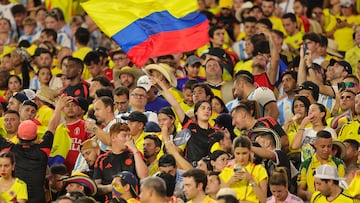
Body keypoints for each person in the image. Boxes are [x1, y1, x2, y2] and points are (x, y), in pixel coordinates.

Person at [152, 76, 215, 163]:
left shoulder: (214, 132)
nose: (206, 111)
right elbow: (175, 104)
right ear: (196, 112)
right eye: (203, 108)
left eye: (209, 109)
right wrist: (161, 85)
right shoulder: (189, 125)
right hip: (190, 167)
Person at [0, 115, 57, 203]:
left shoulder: (9, 149)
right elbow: (52, 128)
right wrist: (59, 106)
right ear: (36, 136)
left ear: (17, 135)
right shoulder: (43, 150)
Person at [93, 122, 148, 201]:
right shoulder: (102, 159)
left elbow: (144, 176)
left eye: (129, 136)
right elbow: (96, 188)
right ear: (113, 138)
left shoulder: (135, 155)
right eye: (124, 136)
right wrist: (114, 187)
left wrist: (135, 151)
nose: (128, 139)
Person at [297, 131, 345, 201]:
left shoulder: (338, 163)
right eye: (323, 146)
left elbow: (342, 187)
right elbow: (300, 191)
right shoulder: (306, 164)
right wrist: (307, 194)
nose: (326, 150)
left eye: (329, 146)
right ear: (315, 145)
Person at [219, 136, 268, 202]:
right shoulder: (226, 172)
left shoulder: (259, 170)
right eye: (238, 153)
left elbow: (263, 200)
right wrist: (229, 183)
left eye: (244, 153)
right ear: (234, 152)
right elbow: (219, 199)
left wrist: (251, 180)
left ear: (250, 152)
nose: (241, 157)